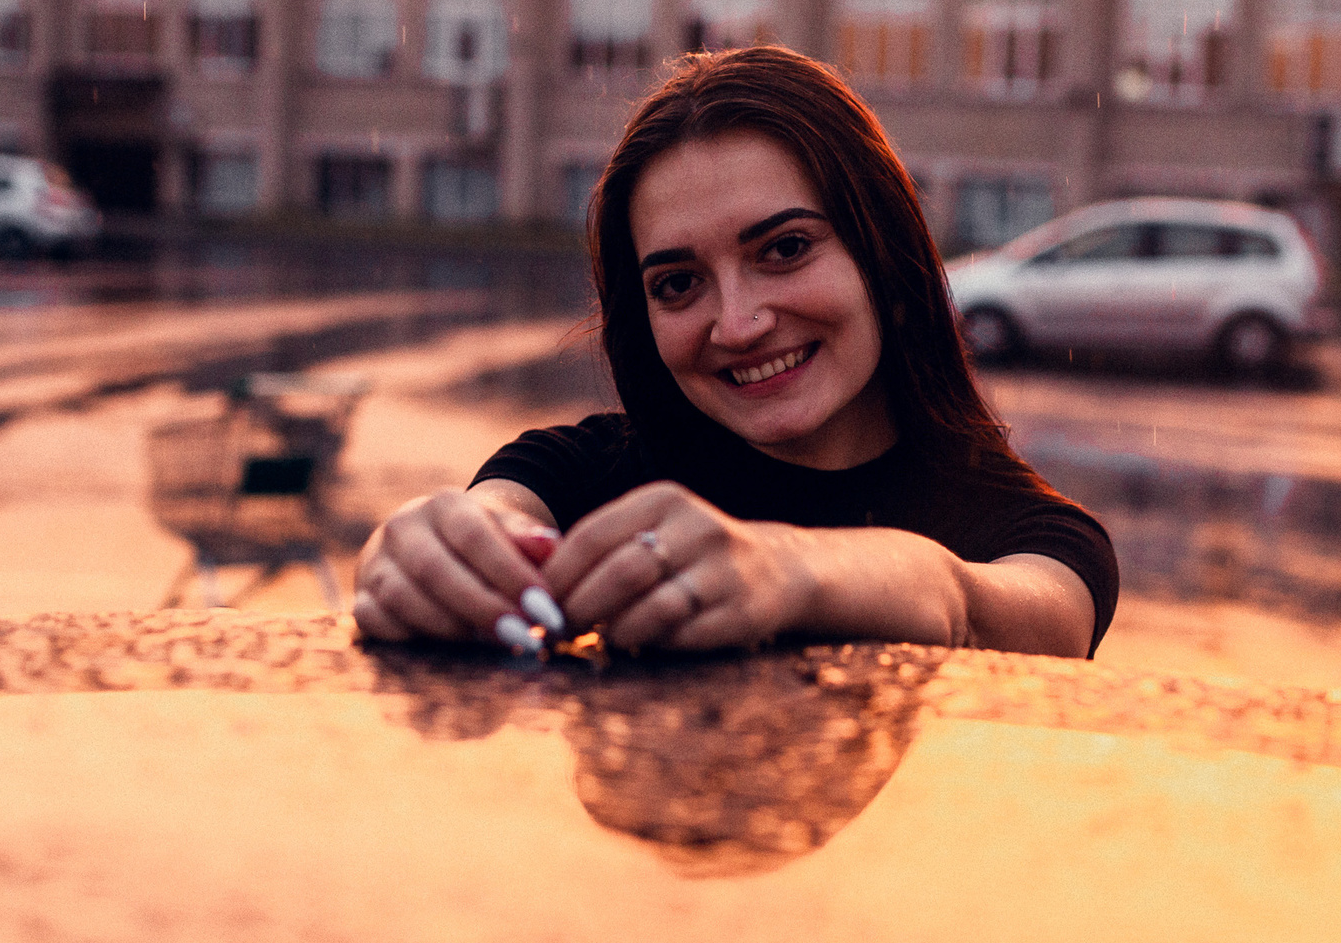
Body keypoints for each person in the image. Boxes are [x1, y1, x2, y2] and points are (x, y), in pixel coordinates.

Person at [351, 45, 1118, 659]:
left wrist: (787, 570)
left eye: (785, 249)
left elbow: (984, 612)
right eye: (679, 284)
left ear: (881, 253)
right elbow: (494, 521)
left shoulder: (1036, 538)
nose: (739, 324)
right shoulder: (575, 477)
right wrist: (427, 553)